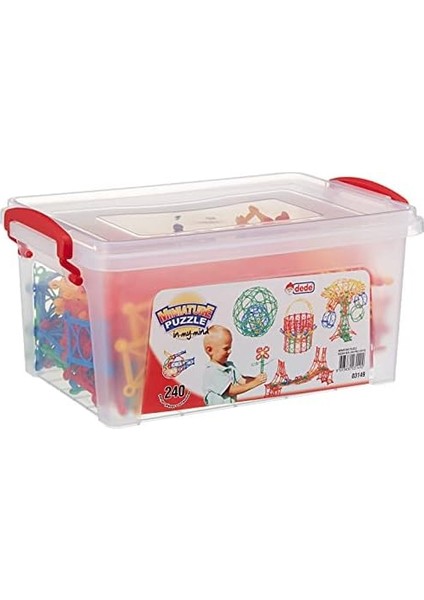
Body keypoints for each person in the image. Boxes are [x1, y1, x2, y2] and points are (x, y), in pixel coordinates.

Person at [202, 325, 267, 406]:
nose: (230, 351)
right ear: (210, 350)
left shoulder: (230, 366)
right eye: (226, 348)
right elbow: (231, 391)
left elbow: (242, 380)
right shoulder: (212, 371)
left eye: (230, 348)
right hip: (217, 410)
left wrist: (256, 379)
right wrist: (255, 383)